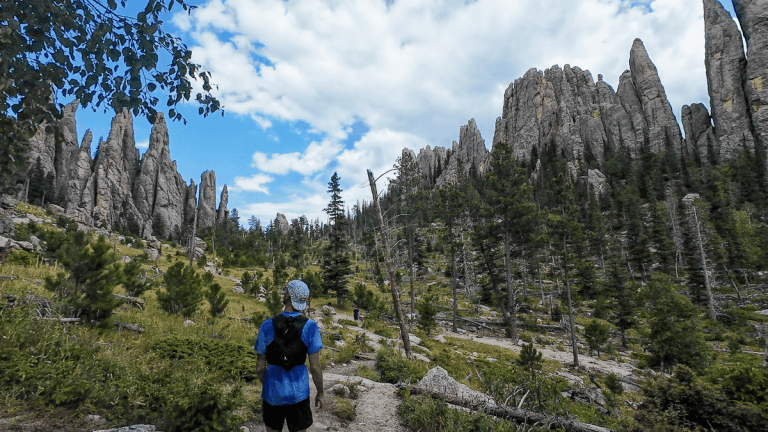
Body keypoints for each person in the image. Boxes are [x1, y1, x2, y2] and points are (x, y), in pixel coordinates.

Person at [255, 280, 324, 432]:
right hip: (299, 394)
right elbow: (315, 367)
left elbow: (260, 367)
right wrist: (320, 392)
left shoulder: (267, 325)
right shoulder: (311, 326)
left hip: (272, 392)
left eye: (286, 290)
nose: (283, 292)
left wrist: (266, 384)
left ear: (288, 296)